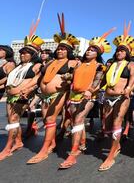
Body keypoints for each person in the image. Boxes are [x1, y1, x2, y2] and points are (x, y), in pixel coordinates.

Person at [58, 28, 115, 169]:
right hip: (73, 96)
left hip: (88, 97)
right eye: (88, 49)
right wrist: (66, 77)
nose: (88, 52)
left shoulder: (100, 67)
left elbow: (98, 82)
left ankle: (73, 153)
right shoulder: (78, 63)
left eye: (92, 50)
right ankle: (82, 144)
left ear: (98, 53)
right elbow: (71, 75)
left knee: (78, 120)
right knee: (74, 120)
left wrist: (90, 91)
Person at [27, 13, 79, 164]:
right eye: (59, 49)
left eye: (63, 49)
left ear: (68, 51)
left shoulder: (73, 62)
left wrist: (69, 80)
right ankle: (53, 143)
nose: (60, 51)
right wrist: (30, 88)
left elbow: (78, 78)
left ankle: (43, 150)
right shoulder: (49, 62)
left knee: (50, 119)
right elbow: (39, 78)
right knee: (47, 119)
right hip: (43, 95)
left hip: (59, 93)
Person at [0, 20, 43, 161]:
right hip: (10, 95)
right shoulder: (18, 66)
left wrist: (27, 90)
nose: (23, 54)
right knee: (12, 120)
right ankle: (18, 141)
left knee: (13, 119)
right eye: (22, 52)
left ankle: (8, 147)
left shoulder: (36, 65)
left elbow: (37, 80)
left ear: (33, 54)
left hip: (23, 96)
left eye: (27, 53)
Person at [98, 22, 134, 171]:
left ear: (127, 53)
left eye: (122, 50)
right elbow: (102, 81)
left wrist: (128, 89)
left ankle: (111, 155)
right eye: (118, 50)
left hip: (122, 97)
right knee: (107, 126)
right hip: (108, 96)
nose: (119, 52)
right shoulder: (111, 65)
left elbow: (133, 80)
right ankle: (117, 145)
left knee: (116, 123)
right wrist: (94, 89)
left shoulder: (130, 64)